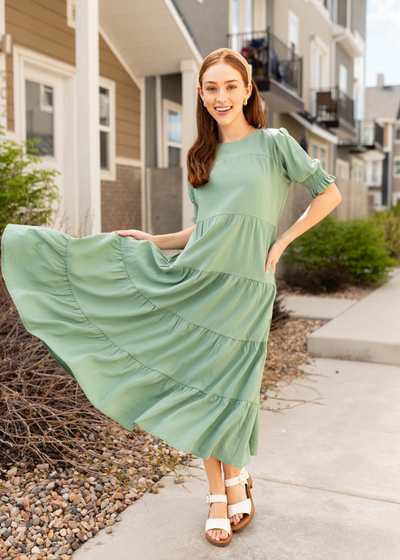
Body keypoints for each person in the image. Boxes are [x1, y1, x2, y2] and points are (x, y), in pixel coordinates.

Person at [1, 47, 342, 548]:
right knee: (200, 381)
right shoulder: (201, 157)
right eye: (211, 88)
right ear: (201, 97)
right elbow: (205, 229)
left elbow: (327, 192)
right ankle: (219, 492)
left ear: (248, 90)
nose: (221, 96)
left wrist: (283, 241)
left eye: (231, 86)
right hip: (198, 278)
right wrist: (153, 241)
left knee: (235, 384)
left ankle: (238, 472)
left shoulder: (275, 144)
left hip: (247, 285)